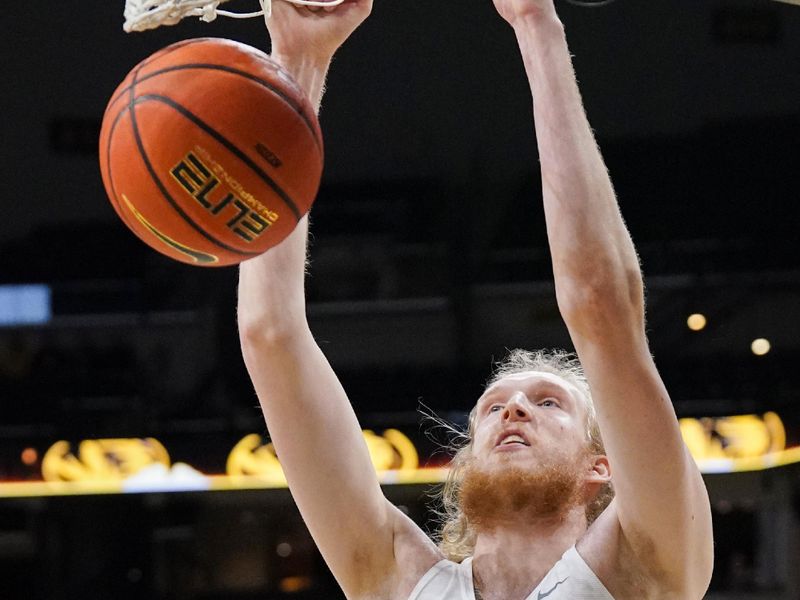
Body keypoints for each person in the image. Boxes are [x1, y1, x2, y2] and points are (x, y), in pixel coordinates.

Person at [237, 0, 715, 598]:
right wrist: (298, 68)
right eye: (492, 408)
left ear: (602, 464)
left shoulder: (646, 565)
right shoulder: (394, 577)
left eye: (549, 404)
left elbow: (601, 305)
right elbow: (269, 334)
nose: (513, 411)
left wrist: (534, 20)